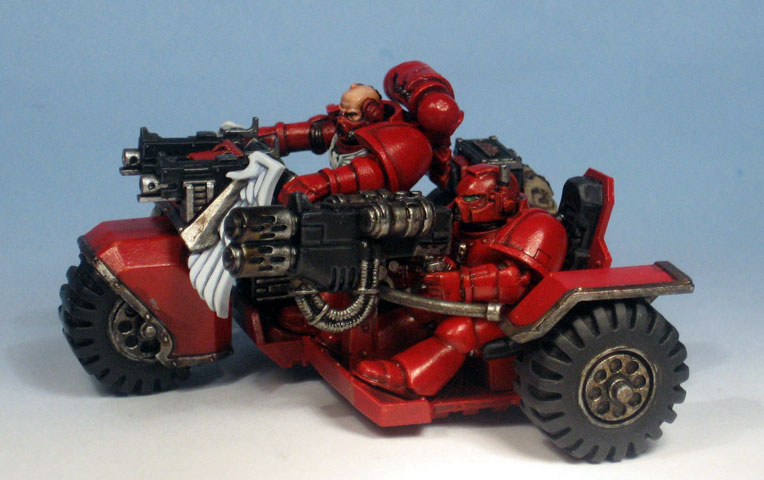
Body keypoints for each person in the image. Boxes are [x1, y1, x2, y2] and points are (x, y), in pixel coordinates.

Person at [353, 163, 568, 397]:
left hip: (507, 315)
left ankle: (409, 378)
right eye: (461, 197)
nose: (460, 204)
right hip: (461, 300)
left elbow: (516, 280)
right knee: (419, 309)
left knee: (458, 330)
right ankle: (366, 349)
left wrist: (461, 283)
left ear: (501, 200)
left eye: (472, 199)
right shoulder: (464, 222)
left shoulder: (538, 226)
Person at [250, 61, 464, 205]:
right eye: (341, 112)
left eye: (350, 115)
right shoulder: (346, 126)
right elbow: (306, 134)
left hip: (375, 209)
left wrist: (320, 182)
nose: (341, 120)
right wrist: (255, 137)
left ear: (372, 114)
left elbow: (368, 172)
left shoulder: (405, 143)